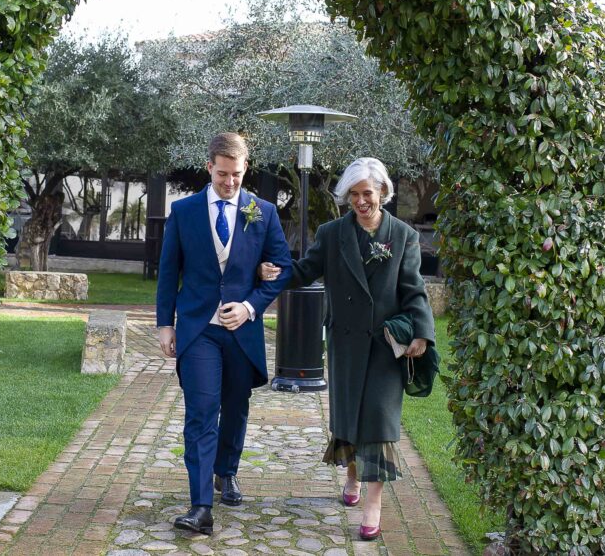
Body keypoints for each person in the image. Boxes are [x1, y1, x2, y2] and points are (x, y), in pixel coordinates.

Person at [260, 157, 434, 540]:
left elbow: (413, 289)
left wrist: (422, 333)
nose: (361, 201)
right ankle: (353, 474)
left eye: (367, 193)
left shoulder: (403, 235)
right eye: (353, 194)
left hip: (387, 346)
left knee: (379, 419)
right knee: (348, 415)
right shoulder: (332, 232)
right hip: (345, 341)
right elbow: (305, 270)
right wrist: (274, 270)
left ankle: (374, 503)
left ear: (383, 193)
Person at [156, 132, 292, 535]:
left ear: (245, 168)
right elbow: (168, 273)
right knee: (201, 412)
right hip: (198, 330)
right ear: (209, 167)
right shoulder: (183, 212)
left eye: (236, 174)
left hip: (242, 332)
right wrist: (165, 324)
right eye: (222, 174)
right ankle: (201, 506)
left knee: (236, 406)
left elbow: (282, 268)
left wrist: (250, 305)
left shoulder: (263, 212)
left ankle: (226, 471)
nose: (229, 182)